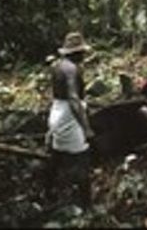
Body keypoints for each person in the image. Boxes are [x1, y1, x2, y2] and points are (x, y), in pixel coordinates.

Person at [43, 31, 94, 206]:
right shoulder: (72, 69)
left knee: (57, 154)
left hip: (56, 111)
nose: (84, 55)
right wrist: (86, 127)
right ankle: (87, 206)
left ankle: (48, 192)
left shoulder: (58, 66)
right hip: (68, 115)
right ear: (77, 52)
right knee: (82, 159)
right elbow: (73, 99)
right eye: (82, 52)